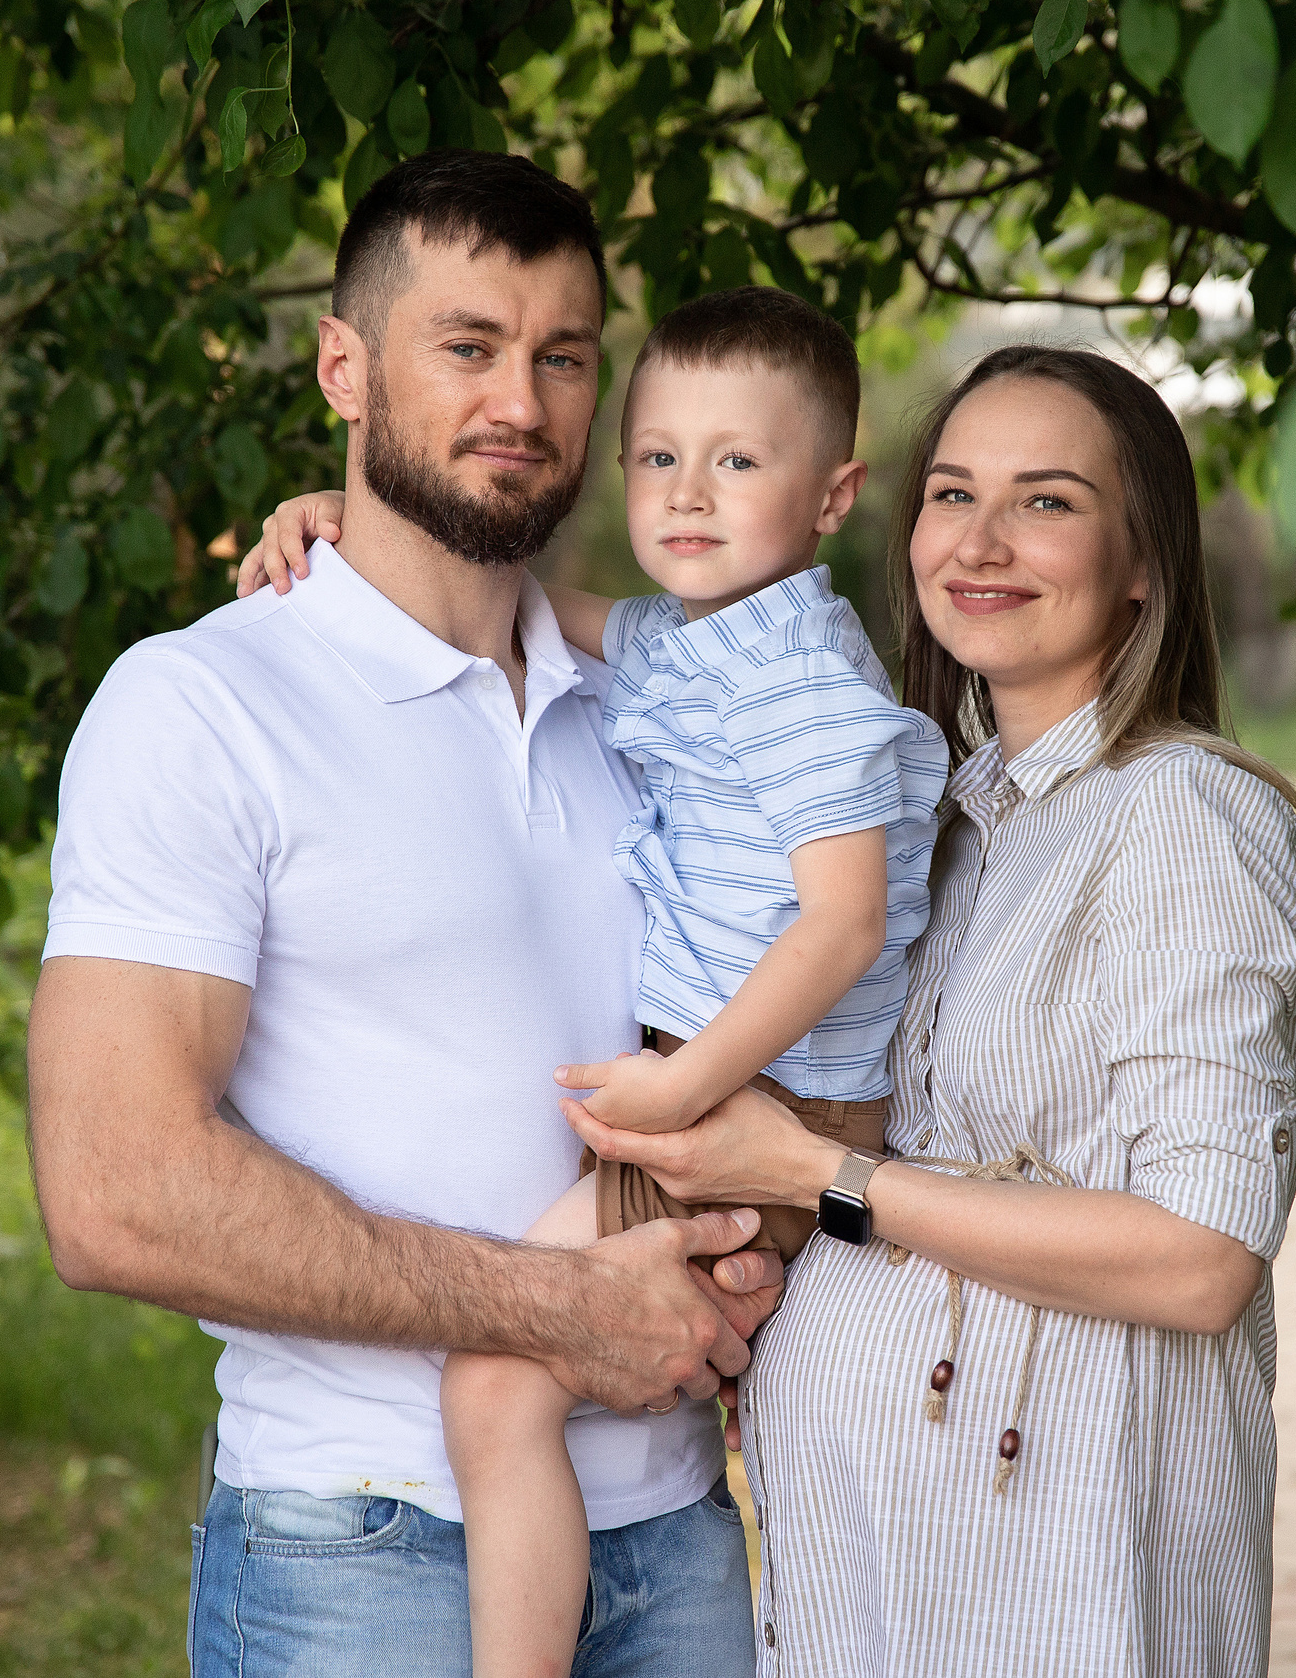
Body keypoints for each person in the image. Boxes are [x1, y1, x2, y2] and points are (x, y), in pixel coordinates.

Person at [24, 150, 786, 1678]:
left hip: (680, 1536)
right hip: (364, 1553)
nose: (523, 398)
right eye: (469, 346)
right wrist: (558, 1313)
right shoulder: (205, 706)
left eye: (563, 356)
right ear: (343, 367)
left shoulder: (664, 704)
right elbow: (113, 1192)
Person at [560, 346, 1296, 1675]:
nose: (982, 541)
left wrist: (818, 1177)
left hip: (1056, 1579)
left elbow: (1200, 1261)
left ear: (1142, 559)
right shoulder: (964, 810)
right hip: (884, 1565)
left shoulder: (1180, 820)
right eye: (953, 493)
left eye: (1047, 501)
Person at [237, 286, 947, 1677]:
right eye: (656, 458)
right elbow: (529, 605)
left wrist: (690, 1083)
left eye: (737, 462)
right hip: (727, 1082)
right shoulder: (701, 641)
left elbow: (843, 927)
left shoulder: (806, 681)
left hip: (765, 1097)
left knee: (498, 1388)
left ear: (831, 494)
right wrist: (336, 524)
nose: (686, 494)